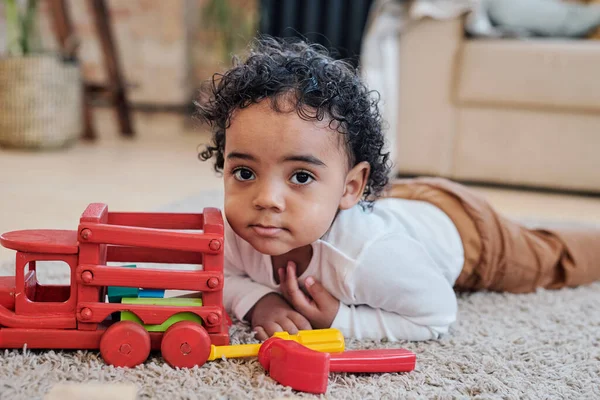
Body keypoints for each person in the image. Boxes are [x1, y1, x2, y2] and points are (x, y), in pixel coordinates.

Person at [195, 36, 600, 342]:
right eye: (245, 173)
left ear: (351, 187)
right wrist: (258, 301)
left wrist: (339, 318)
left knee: (548, 258)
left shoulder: (373, 259)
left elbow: (438, 315)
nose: (266, 199)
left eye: (300, 176)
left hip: (471, 233)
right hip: (400, 203)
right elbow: (216, 277)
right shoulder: (241, 227)